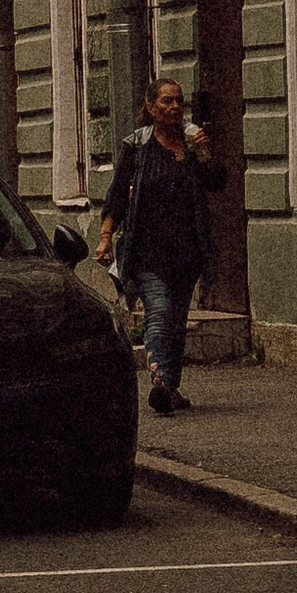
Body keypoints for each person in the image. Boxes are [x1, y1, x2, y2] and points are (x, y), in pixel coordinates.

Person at [98, 76, 225, 414]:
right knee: (160, 311)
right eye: (167, 101)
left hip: (187, 252)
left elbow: (217, 183)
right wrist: (106, 237)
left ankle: (171, 388)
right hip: (147, 250)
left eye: (179, 100)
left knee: (177, 320)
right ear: (151, 107)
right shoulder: (137, 146)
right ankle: (159, 381)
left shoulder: (192, 144)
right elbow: (117, 194)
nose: (175, 106)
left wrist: (205, 152)